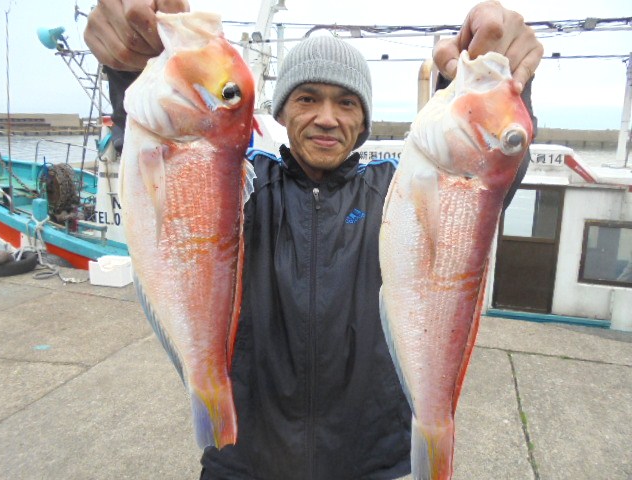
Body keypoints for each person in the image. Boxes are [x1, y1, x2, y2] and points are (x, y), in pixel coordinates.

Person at [85, 1, 543, 479]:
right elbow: (164, 152)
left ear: (363, 122)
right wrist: (131, 66)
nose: (327, 117)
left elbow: (480, 186)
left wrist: (490, 93)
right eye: (307, 98)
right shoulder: (242, 188)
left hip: (372, 466)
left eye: (346, 103)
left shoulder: (394, 195)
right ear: (282, 112)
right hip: (244, 463)